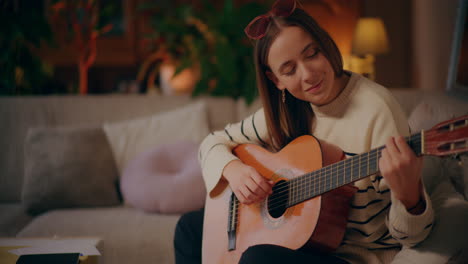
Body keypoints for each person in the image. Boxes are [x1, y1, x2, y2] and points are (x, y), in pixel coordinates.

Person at [174, 0, 434, 263]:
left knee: (258, 259)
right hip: (300, 244)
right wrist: (235, 170)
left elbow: (412, 238)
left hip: (355, 257)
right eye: (289, 70)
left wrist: (410, 198)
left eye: (312, 54)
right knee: (189, 228)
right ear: (276, 80)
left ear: (325, 45)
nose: (308, 74)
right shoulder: (288, 111)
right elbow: (211, 143)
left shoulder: (379, 111)